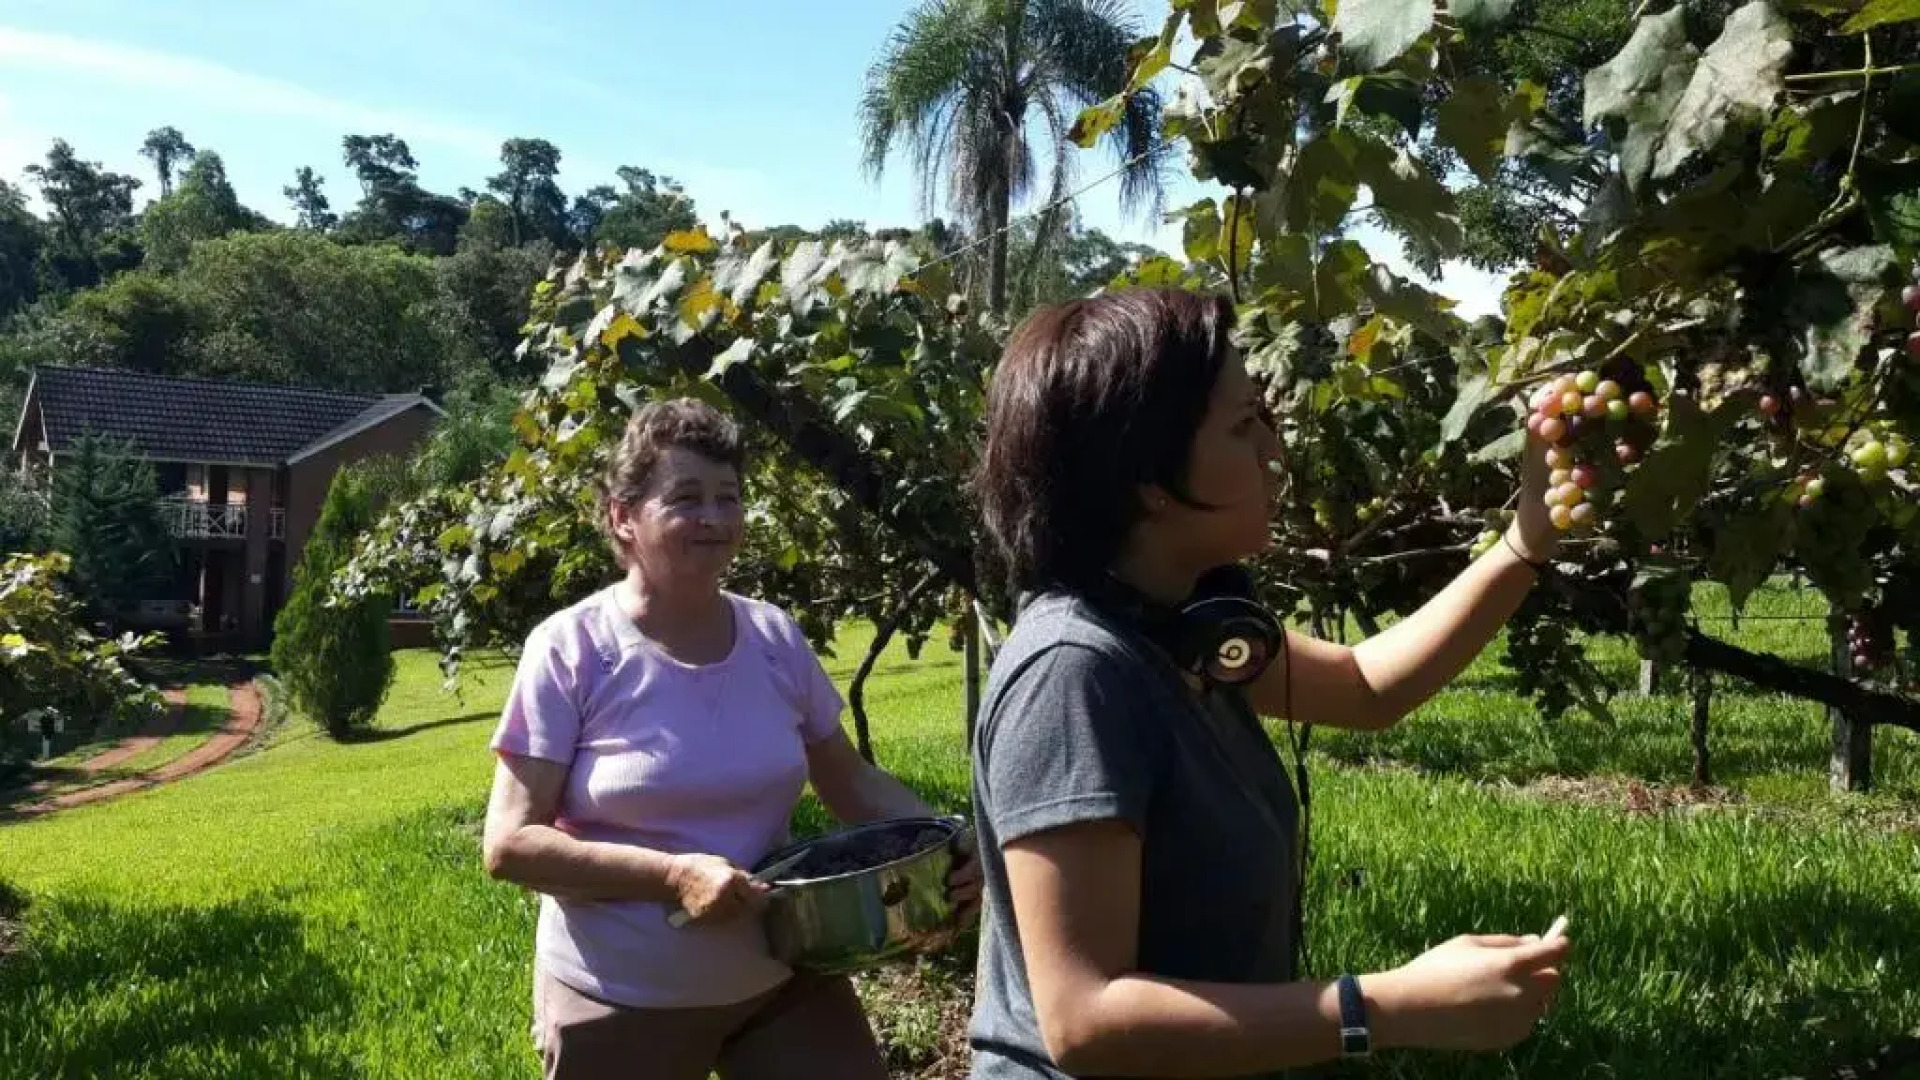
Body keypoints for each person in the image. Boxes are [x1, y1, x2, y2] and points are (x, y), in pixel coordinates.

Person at [964, 288, 1573, 1079]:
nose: (1274, 449)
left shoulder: (1190, 630)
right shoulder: (1075, 674)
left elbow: (1365, 685)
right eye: (1245, 423)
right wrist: (1388, 1006)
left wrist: (1527, 537)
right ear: (1150, 478)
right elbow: (1086, 1018)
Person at [481, 396, 983, 1080]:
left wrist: (949, 839)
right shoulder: (572, 649)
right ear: (622, 518)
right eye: (687, 498)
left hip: (782, 974)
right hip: (623, 995)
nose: (715, 519)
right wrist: (672, 876)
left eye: (730, 497)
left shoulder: (773, 638)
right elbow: (510, 844)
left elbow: (849, 781)